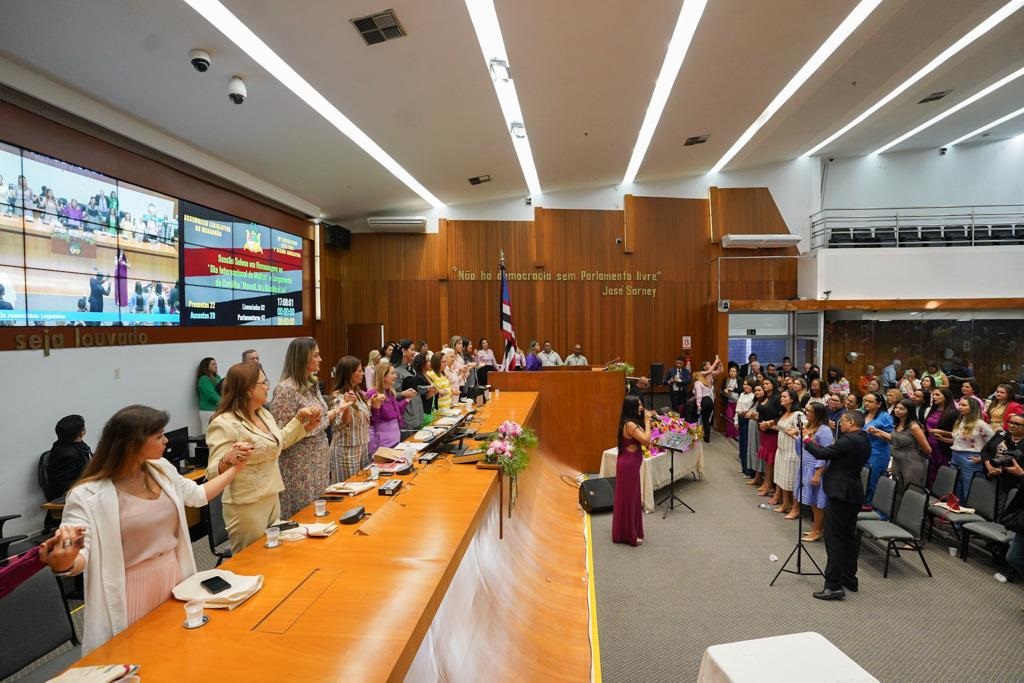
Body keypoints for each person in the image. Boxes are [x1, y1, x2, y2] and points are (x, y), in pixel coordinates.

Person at [38, 405, 249, 654]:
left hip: (174, 575)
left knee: (183, 652)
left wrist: (235, 469)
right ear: (132, 443)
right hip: (132, 590)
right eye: (159, 436)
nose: (166, 440)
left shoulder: (161, 469)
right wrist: (65, 561)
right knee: (143, 655)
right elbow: (80, 556)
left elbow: (198, 496)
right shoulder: (86, 495)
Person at [206, 362, 321, 553]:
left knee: (275, 556)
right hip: (246, 505)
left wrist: (302, 423)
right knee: (251, 561)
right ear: (248, 389)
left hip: (272, 496)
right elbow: (211, 473)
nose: (268, 386)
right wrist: (227, 459)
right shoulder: (224, 423)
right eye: (263, 382)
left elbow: (279, 442)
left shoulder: (264, 414)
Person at [803, 410, 871, 600]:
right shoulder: (862, 438)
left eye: (842, 422)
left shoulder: (849, 440)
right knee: (848, 538)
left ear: (850, 422)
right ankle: (849, 579)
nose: (840, 425)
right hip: (851, 492)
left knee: (834, 539)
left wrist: (806, 439)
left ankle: (833, 586)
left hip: (841, 493)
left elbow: (822, 453)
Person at [270, 338, 332, 519]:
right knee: (302, 513)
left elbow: (323, 419)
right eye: (316, 355)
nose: (320, 359)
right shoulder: (286, 389)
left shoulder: (312, 384)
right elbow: (280, 432)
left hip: (319, 456)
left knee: (319, 508)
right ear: (302, 358)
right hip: (299, 461)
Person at [611, 395, 650, 546]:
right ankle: (628, 534)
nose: (642, 407)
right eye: (639, 405)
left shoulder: (632, 423)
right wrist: (647, 422)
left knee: (632, 497)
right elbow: (646, 439)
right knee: (628, 498)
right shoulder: (630, 425)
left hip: (631, 464)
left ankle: (626, 531)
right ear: (632, 407)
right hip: (628, 465)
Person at [873, 399, 931, 497]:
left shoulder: (914, 427)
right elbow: (895, 440)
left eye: (901, 409)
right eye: (896, 408)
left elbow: (928, 449)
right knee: (898, 492)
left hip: (912, 463)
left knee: (912, 493)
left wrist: (911, 452)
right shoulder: (898, 424)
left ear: (909, 411)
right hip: (898, 462)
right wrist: (877, 432)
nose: (897, 410)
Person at [791, 402, 832, 542]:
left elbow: (824, 454)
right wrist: (797, 436)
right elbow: (801, 447)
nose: (806, 413)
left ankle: (817, 531)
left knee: (817, 502)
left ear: (817, 414)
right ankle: (816, 528)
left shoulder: (824, 430)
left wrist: (818, 473)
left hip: (815, 467)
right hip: (805, 466)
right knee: (812, 501)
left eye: (809, 411)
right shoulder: (808, 426)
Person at [327, 356, 372, 482]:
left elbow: (364, 418)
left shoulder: (358, 393)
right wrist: (346, 406)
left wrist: (372, 403)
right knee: (348, 490)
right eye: (359, 371)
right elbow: (341, 425)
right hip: (346, 451)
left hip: (362, 447)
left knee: (363, 487)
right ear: (349, 374)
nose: (362, 373)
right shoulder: (339, 396)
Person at [948, 396, 995, 502]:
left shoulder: (981, 424)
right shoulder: (960, 421)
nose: (960, 407)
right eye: (959, 404)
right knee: (955, 486)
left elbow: (993, 444)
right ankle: (956, 510)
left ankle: (971, 513)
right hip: (955, 455)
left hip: (970, 458)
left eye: (964, 405)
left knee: (969, 488)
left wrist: (982, 458)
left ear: (973, 408)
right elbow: (959, 442)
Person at [367, 362, 416, 455]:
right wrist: (376, 407)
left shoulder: (390, 392)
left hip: (394, 438)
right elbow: (371, 421)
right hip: (381, 442)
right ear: (383, 376)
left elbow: (397, 411)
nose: (396, 376)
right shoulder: (373, 394)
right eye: (392, 373)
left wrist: (408, 399)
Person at [981, 414, 1024, 512]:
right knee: (986, 508)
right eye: (1011, 422)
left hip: (1014, 484)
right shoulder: (1001, 434)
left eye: (1017, 424)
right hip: (992, 476)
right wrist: (990, 467)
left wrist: (1020, 472)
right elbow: (985, 451)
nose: (1012, 425)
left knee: (1003, 511)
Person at [45, 415, 92, 503]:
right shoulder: (66, 454)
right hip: (74, 497)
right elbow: (63, 486)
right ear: (82, 432)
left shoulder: (76, 444)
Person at [773, 389, 802, 519]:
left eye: (784, 396)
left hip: (792, 452)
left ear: (792, 399)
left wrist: (795, 430)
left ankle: (796, 508)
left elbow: (804, 429)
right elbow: (780, 427)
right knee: (782, 478)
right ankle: (786, 504)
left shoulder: (798, 414)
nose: (781, 398)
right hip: (781, 450)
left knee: (792, 480)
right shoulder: (785, 412)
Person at [395, 341, 436, 431]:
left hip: (418, 413)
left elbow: (414, 388)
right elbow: (391, 395)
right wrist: (402, 393)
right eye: (412, 349)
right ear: (403, 351)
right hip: (407, 416)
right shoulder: (396, 371)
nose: (414, 352)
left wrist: (426, 388)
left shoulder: (411, 369)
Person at [862, 392, 894, 506]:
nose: (866, 403)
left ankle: (871, 507)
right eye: (865, 400)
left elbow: (892, 438)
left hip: (878, 453)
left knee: (872, 482)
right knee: (863, 480)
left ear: (879, 404)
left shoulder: (885, 416)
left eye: (870, 401)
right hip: (863, 451)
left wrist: (876, 433)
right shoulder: (863, 414)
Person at [924, 388, 958, 488]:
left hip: (943, 448)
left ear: (946, 396)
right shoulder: (932, 410)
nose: (934, 397)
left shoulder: (953, 413)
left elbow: (957, 434)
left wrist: (941, 432)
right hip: (930, 445)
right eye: (933, 395)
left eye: (937, 395)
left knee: (942, 474)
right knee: (930, 472)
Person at [756, 378, 782, 501]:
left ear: (773, 384)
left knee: (771, 461)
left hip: (772, 431)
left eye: (767, 383)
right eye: (763, 384)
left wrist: (769, 424)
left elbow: (780, 415)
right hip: (763, 431)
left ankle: (769, 485)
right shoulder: (765, 396)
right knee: (767, 460)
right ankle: (766, 483)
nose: (764, 385)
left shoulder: (777, 398)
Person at [693, 356, 723, 443]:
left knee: (706, 416)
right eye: (708, 364)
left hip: (707, 397)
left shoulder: (701, 380)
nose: (710, 365)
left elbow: (720, 371)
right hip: (705, 397)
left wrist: (720, 363)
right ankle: (702, 434)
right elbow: (710, 371)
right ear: (704, 367)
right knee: (703, 417)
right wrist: (716, 361)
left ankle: (702, 434)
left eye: (710, 364)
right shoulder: (702, 373)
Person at [735, 379, 757, 476]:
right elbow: (737, 408)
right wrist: (735, 420)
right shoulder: (742, 394)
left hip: (749, 420)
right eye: (744, 384)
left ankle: (749, 469)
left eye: (748, 385)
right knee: (742, 444)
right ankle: (743, 467)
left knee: (748, 444)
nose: (745, 386)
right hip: (741, 418)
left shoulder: (754, 396)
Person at [196, 357, 221, 433]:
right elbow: (212, 396)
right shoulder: (204, 379)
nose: (216, 366)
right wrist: (226, 402)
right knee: (208, 432)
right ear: (206, 367)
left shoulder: (217, 377)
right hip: (208, 411)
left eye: (216, 364)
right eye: (213, 364)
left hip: (218, 409)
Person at [721, 364, 740, 440]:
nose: (732, 373)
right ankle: (730, 433)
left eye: (734, 371)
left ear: (737, 373)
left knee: (736, 418)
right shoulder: (726, 379)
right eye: (730, 371)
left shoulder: (740, 380)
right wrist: (724, 390)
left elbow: (741, 390)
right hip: (729, 401)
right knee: (729, 417)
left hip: (737, 402)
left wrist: (733, 390)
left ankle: (736, 434)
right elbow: (722, 389)